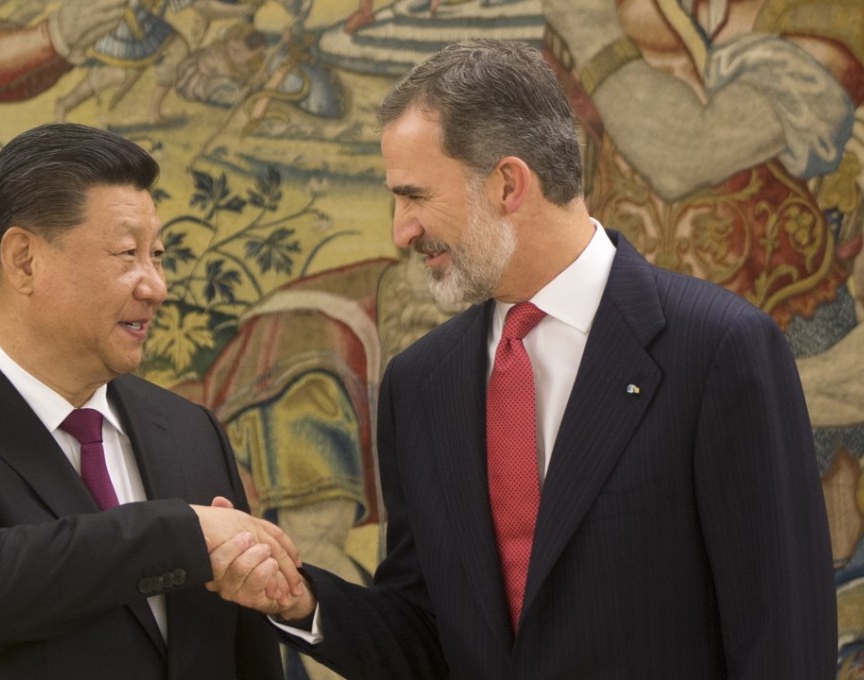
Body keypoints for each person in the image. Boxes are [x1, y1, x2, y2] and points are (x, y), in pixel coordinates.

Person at [210, 39, 837, 678]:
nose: (400, 230)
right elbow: (425, 636)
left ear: (509, 183)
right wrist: (301, 598)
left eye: (416, 196)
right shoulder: (420, 383)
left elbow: (782, 641)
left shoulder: (719, 349)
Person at [0, 122, 303, 679]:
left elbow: (245, 654)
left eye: (157, 255)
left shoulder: (189, 429)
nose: (155, 286)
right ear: (23, 261)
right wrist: (183, 534)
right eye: (127, 253)